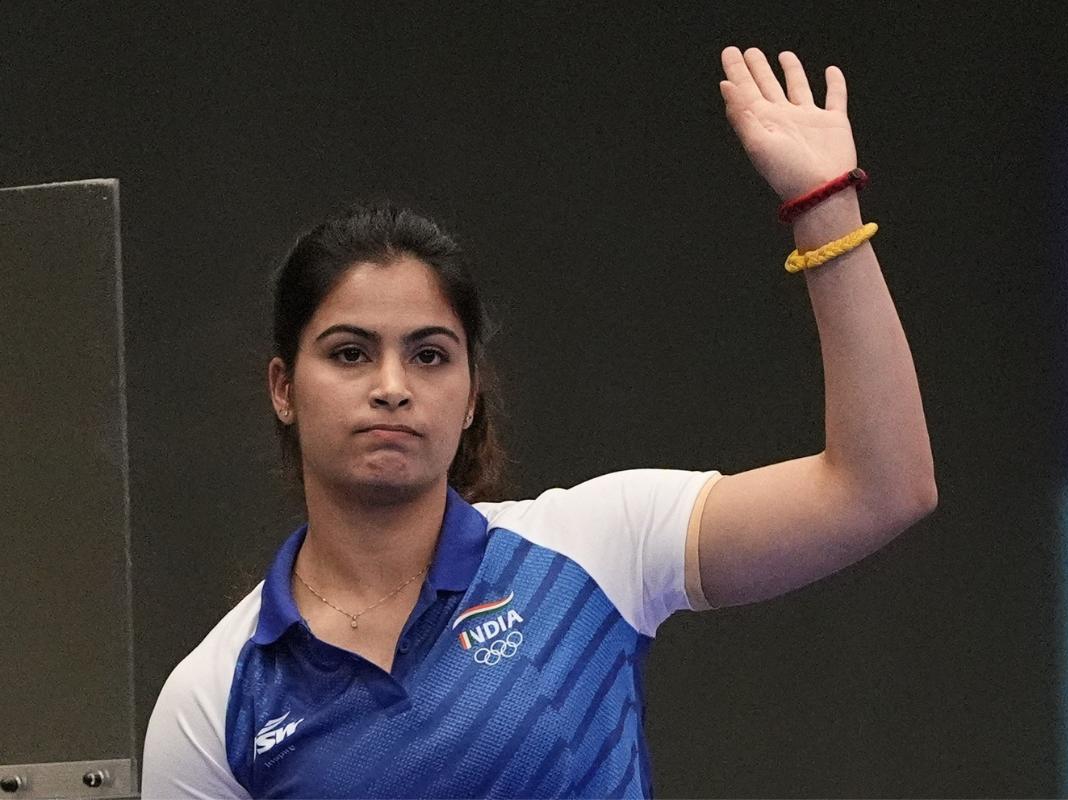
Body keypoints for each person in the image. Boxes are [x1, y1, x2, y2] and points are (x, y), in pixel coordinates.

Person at [140, 45, 936, 799]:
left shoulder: (592, 548)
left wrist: (826, 210)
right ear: (283, 386)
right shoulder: (214, 698)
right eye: (350, 354)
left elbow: (878, 488)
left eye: (429, 355)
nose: (391, 387)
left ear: (472, 391)